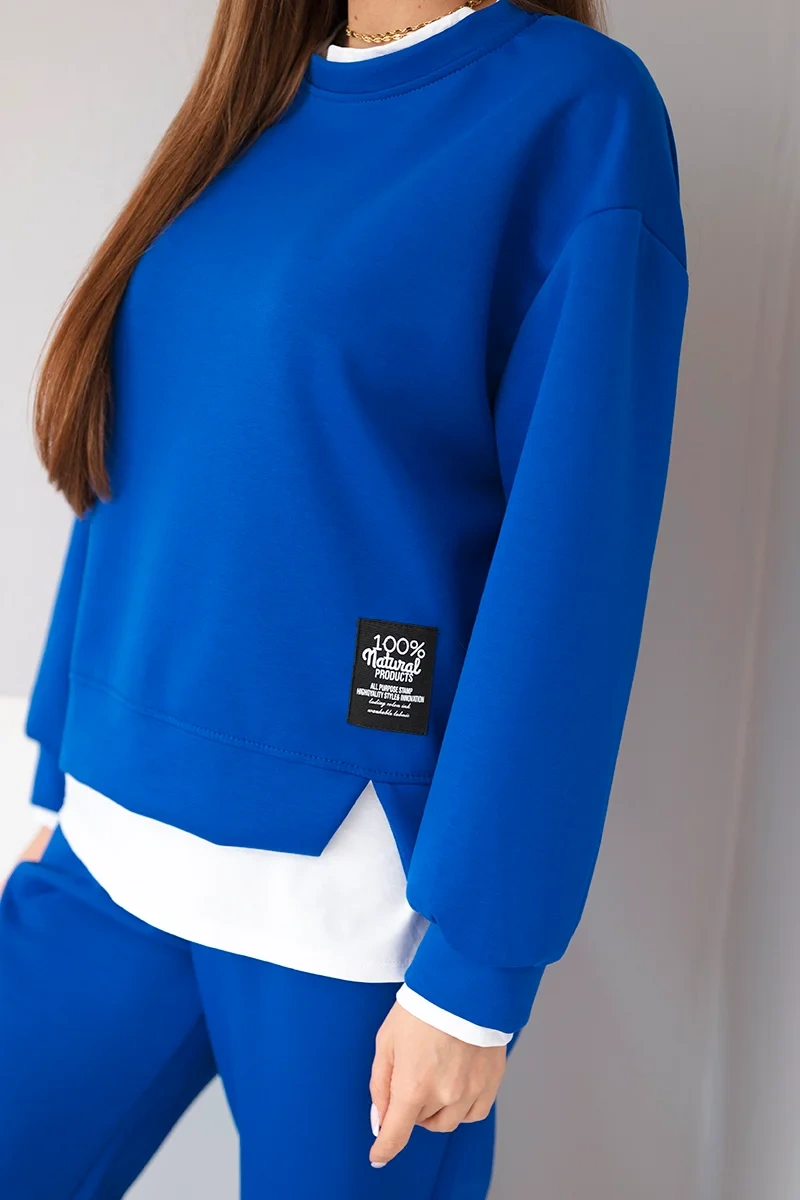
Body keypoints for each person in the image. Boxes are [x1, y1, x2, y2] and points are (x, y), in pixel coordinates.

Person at [0, 0, 688, 1195]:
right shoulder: (254, 100)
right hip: (111, 841)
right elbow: (142, 462)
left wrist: (475, 976)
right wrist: (61, 768)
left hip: (348, 894)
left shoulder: (577, 107)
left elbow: (571, 565)